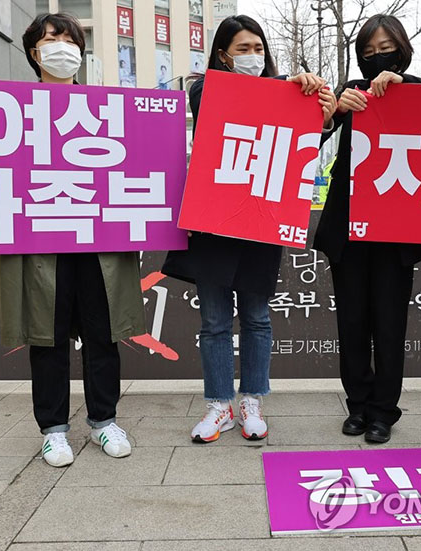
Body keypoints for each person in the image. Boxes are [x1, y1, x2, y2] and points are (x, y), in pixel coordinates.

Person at [0, 13, 146, 467]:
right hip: (38, 246)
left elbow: (143, 169)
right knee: (46, 337)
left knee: (103, 334)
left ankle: (104, 420)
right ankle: (53, 431)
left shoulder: (109, 110)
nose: (62, 47)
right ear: (34, 52)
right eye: (51, 39)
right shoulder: (7, 110)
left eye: (70, 39)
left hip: (98, 243)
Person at [162, 15, 337, 444]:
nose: (253, 56)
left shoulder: (285, 94)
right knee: (215, 321)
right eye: (243, 49)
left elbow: (299, 147)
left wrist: (320, 116)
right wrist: (285, 87)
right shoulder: (204, 87)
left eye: (258, 49)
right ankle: (218, 405)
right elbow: (214, 102)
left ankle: (252, 401)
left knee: (257, 318)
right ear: (223, 55)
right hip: (214, 223)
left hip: (262, 221)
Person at [312, 14, 421, 444]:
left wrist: (403, 85)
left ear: (402, 50)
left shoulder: (418, 90)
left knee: (389, 323)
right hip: (348, 227)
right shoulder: (352, 91)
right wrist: (335, 111)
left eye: (385, 49)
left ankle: (384, 410)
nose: (376, 57)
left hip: (395, 231)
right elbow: (312, 134)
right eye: (367, 51)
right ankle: (358, 406)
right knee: (352, 321)